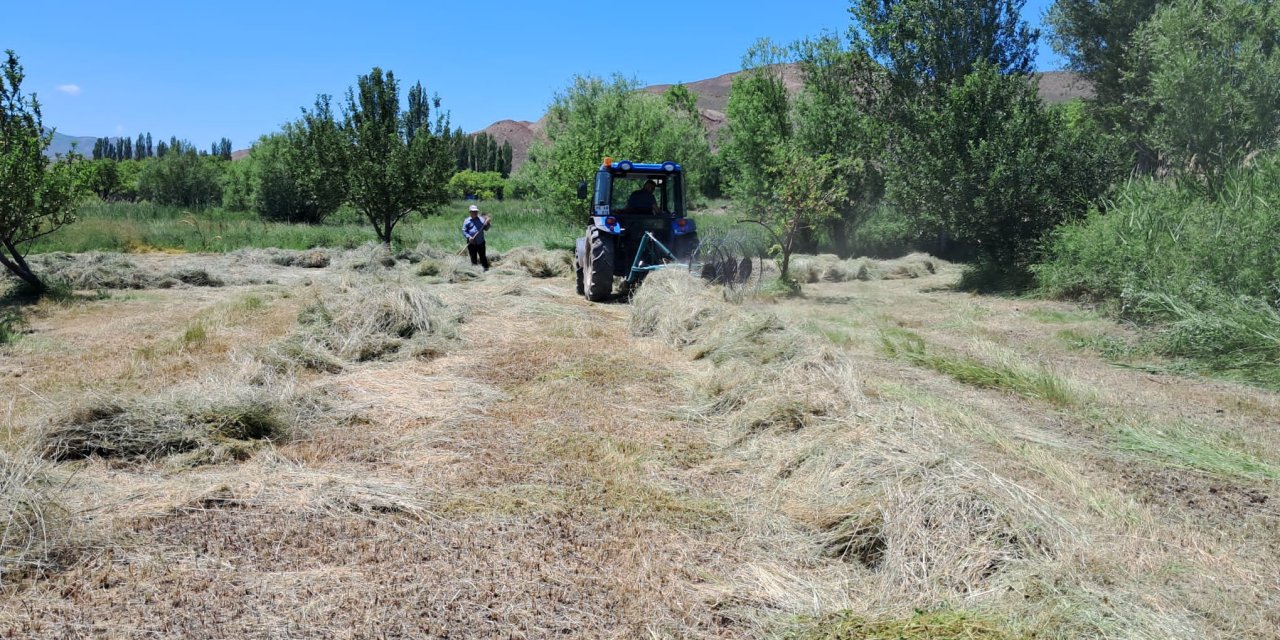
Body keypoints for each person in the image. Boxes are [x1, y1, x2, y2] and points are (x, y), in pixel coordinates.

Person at [461, 204, 491, 271]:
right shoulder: (467, 221)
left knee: (483, 257)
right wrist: (469, 237)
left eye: (476, 211)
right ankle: (475, 272)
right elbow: (464, 231)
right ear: (470, 212)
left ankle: (486, 271)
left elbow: (486, 228)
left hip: (481, 242)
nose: (475, 213)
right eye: (473, 211)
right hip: (471, 243)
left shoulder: (481, 219)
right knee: (473, 258)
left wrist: (488, 223)